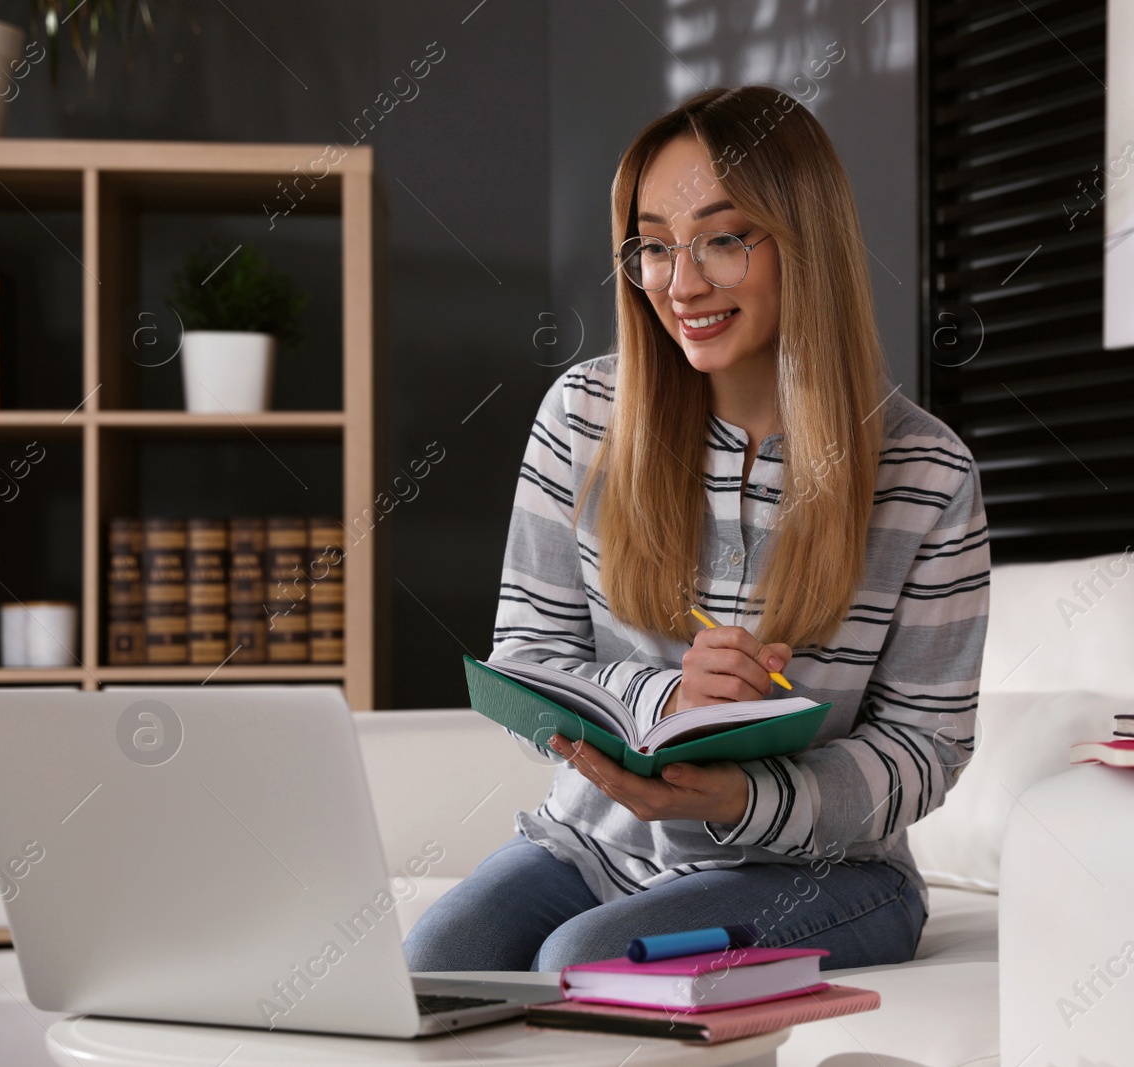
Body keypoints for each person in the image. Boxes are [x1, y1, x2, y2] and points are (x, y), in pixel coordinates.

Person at [404, 84, 990, 974]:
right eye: (654, 245)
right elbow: (526, 660)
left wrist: (739, 799)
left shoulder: (927, 472)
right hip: (592, 848)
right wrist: (663, 698)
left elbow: (926, 747)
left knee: (589, 959)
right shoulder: (582, 416)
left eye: (722, 238)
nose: (681, 284)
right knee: (435, 962)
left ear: (806, 240)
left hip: (824, 874)